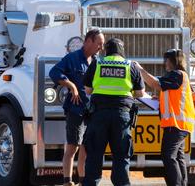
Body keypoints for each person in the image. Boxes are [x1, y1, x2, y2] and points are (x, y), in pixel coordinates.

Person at [82, 38, 145, 186]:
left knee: (94, 156)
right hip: (122, 116)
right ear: (122, 51)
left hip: (98, 115)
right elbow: (140, 92)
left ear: (107, 50)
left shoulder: (97, 63)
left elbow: (88, 90)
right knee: (121, 156)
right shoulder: (130, 65)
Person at [50, 28, 105, 186]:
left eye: (102, 44)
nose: (100, 47)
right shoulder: (72, 58)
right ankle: (67, 181)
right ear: (88, 41)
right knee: (72, 147)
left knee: (86, 148)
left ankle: (82, 181)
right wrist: (70, 85)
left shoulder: (96, 61)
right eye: (98, 44)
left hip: (92, 111)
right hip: (76, 110)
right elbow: (54, 72)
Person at [135, 48, 195, 186]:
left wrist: (140, 69)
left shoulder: (176, 74)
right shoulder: (180, 75)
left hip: (176, 124)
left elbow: (155, 83)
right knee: (178, 157)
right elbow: (172, 95)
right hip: (181, 125)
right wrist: (160, 98)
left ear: (174, 61)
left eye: (167, 60)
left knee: (168, 156)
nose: (165, 63)